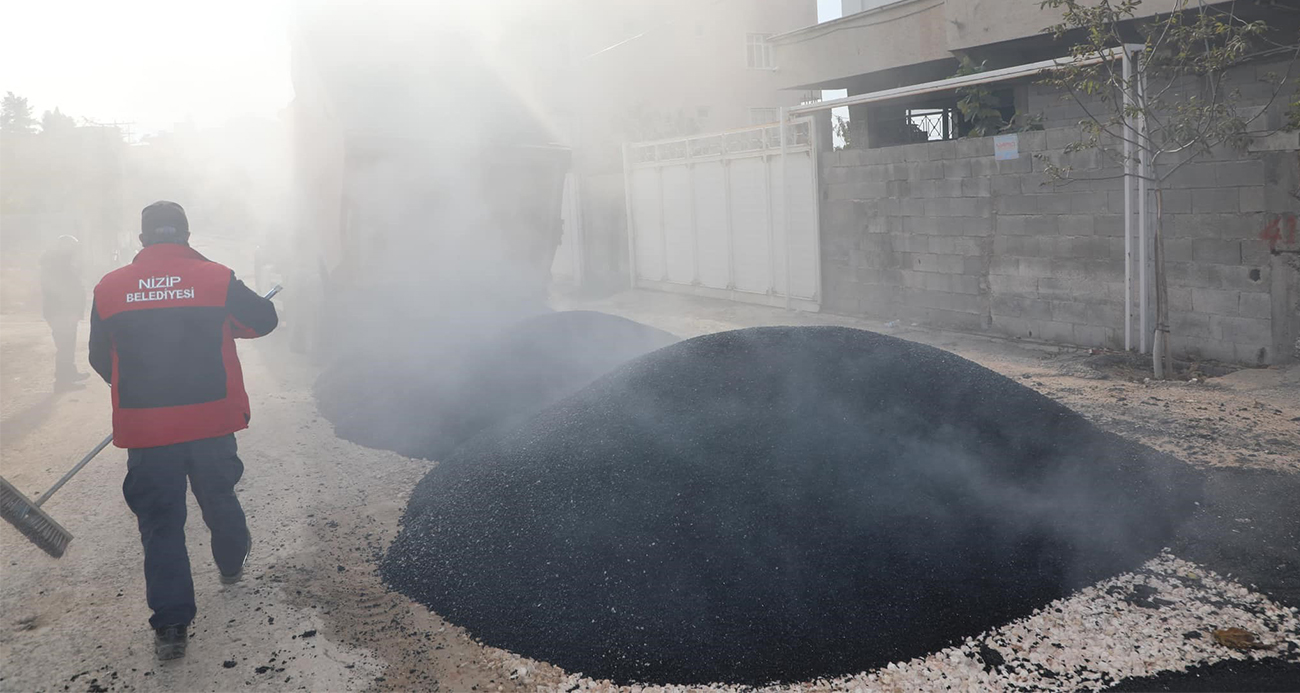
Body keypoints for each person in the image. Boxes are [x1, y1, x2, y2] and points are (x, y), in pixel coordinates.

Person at [88, 201, 278, 661]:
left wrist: (139, 385)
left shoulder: (109, 288)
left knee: (160, 523)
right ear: (187, 236)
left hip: (147, 429)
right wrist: (227, 325)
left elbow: (98, 357)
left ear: (142, 240)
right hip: (211, 421)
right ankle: (231, 564)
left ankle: (172, 626)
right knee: (219, 496)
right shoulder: (216, 277)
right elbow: (264, 320)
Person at [40, 235, 90, 389]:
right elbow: (63, 291)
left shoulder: (61, 264)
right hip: (62, 312)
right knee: (65, 345)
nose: (75, 251)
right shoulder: (57, 266)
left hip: (65, 312)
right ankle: (63, 382)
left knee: (68, 344)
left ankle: (69, 373)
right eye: (72, 247)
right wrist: (70, 311)